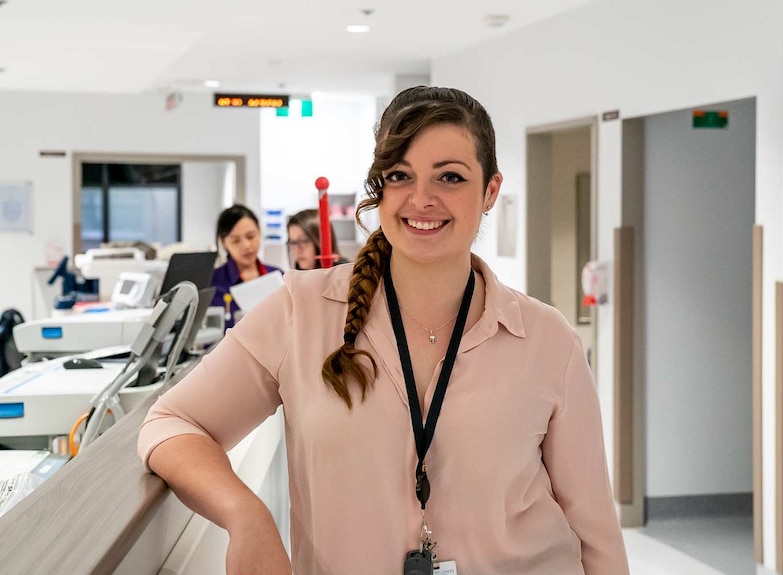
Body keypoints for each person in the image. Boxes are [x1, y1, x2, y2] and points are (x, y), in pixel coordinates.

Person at [138, 86, 629, 574]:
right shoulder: (301, 312)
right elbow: (172, 422)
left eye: (450, 177)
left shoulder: (546, 339)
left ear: (490, 192)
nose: (422, 199)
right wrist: (245, 515)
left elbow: (594, 530)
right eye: (399, 175)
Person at [210, 204, 283, 329]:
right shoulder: (212, 283)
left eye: (251, 236)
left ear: (259, 231)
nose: (246, 245)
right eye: (236, 241)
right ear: (224, 243)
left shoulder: (279, 276)